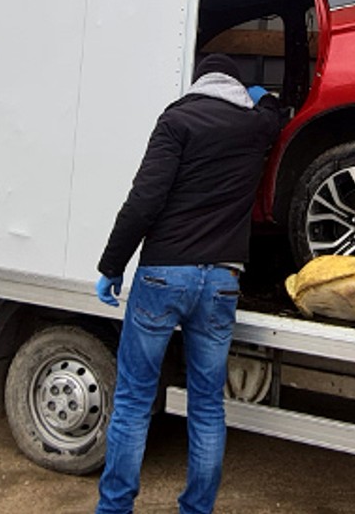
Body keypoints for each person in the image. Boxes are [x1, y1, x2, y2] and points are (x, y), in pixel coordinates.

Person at [94, 53, 285, 514]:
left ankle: (114, 508)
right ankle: (197, 510)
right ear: (236, 88)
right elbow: (275, 107)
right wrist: (260, 98)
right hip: (222, 280)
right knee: (207, 406)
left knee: (135, 401)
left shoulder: (177, 120)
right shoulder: (255, 126)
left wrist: (111, 265)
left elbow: (144, 200)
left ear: (199, 83)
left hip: (164, 274)